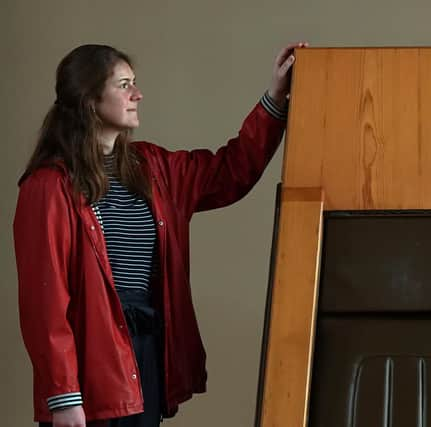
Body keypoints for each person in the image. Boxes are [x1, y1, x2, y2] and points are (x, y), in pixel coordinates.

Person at [13, 41, 308, 427]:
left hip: (146, 354)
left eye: (133, 83)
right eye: (123, 85)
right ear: (89, 99)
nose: (137, 94)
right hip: (91, 364)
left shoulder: (155, 168)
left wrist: (275, 96)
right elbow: (45, 302)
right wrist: (64, 397)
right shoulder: (50, 186)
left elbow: (232, 170)